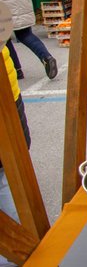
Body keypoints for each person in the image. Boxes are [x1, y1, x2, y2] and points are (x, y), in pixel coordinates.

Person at [0, 46, 31, 267]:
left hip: (6, 96)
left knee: (6, 179)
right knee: (6, 179)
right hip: (7, 92)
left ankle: (16, 255)